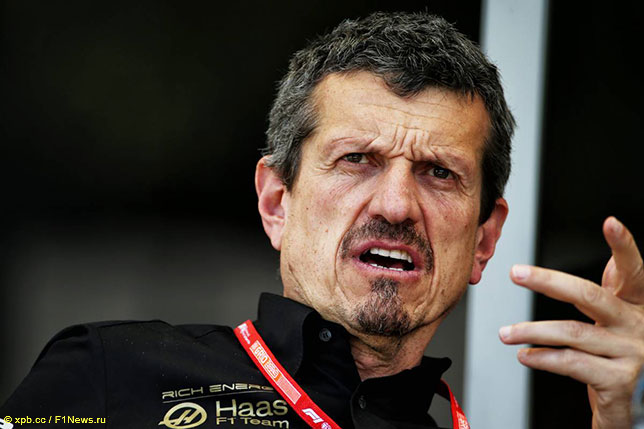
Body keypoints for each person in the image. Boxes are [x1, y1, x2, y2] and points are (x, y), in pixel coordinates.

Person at [1, 11, 642, 429]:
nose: (396, 205)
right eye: (357, 159)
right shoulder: (109, 372)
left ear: (484, 240)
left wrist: (626, 418)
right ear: (276, 203)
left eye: (438, 173)